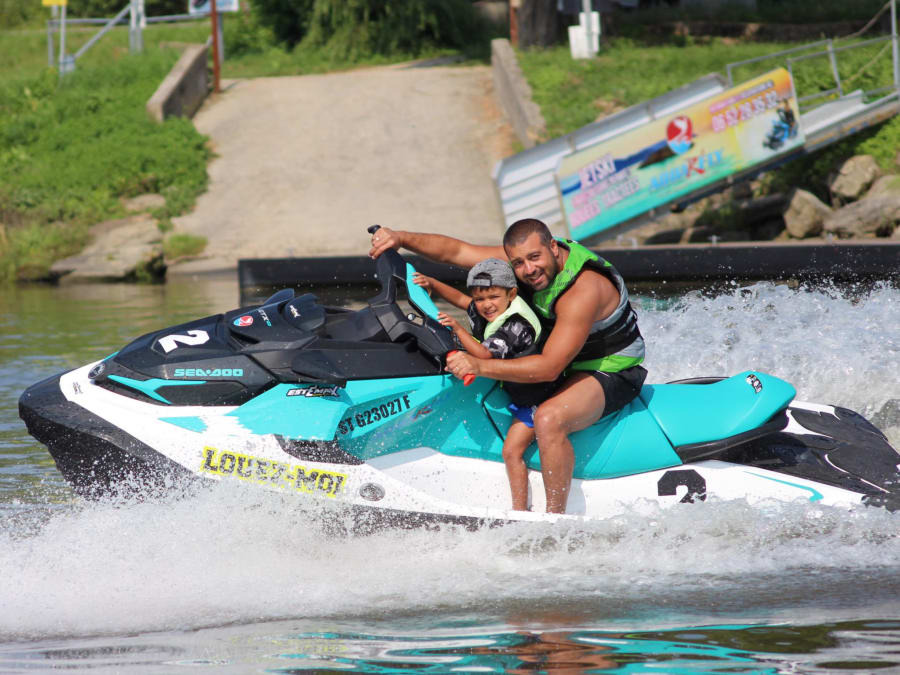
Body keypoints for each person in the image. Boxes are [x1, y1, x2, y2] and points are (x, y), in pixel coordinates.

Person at [370, 218, 646, 514]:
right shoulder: (524, 259)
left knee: (549, 419)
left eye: (535, 258)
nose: (528, 270)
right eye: (519, 262)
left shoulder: (583, 291)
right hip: (563, 360)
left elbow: (549, 368)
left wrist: (478, 365)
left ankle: (554, 521)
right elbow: (458, 252)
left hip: (611, 367)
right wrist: (399, 238)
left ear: (553, 247)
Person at [413, 257, 561, 511]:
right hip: (516, 392)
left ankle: (519, 511)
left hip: (540, 399)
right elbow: (462, 301)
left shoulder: (517, 324)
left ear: (511, 293)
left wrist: (458, 330)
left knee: (511, 451)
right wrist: (432, 284)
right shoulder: (494, 307)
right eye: (480, 299)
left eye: (492, 297)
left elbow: (483, 356)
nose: (485, 305)